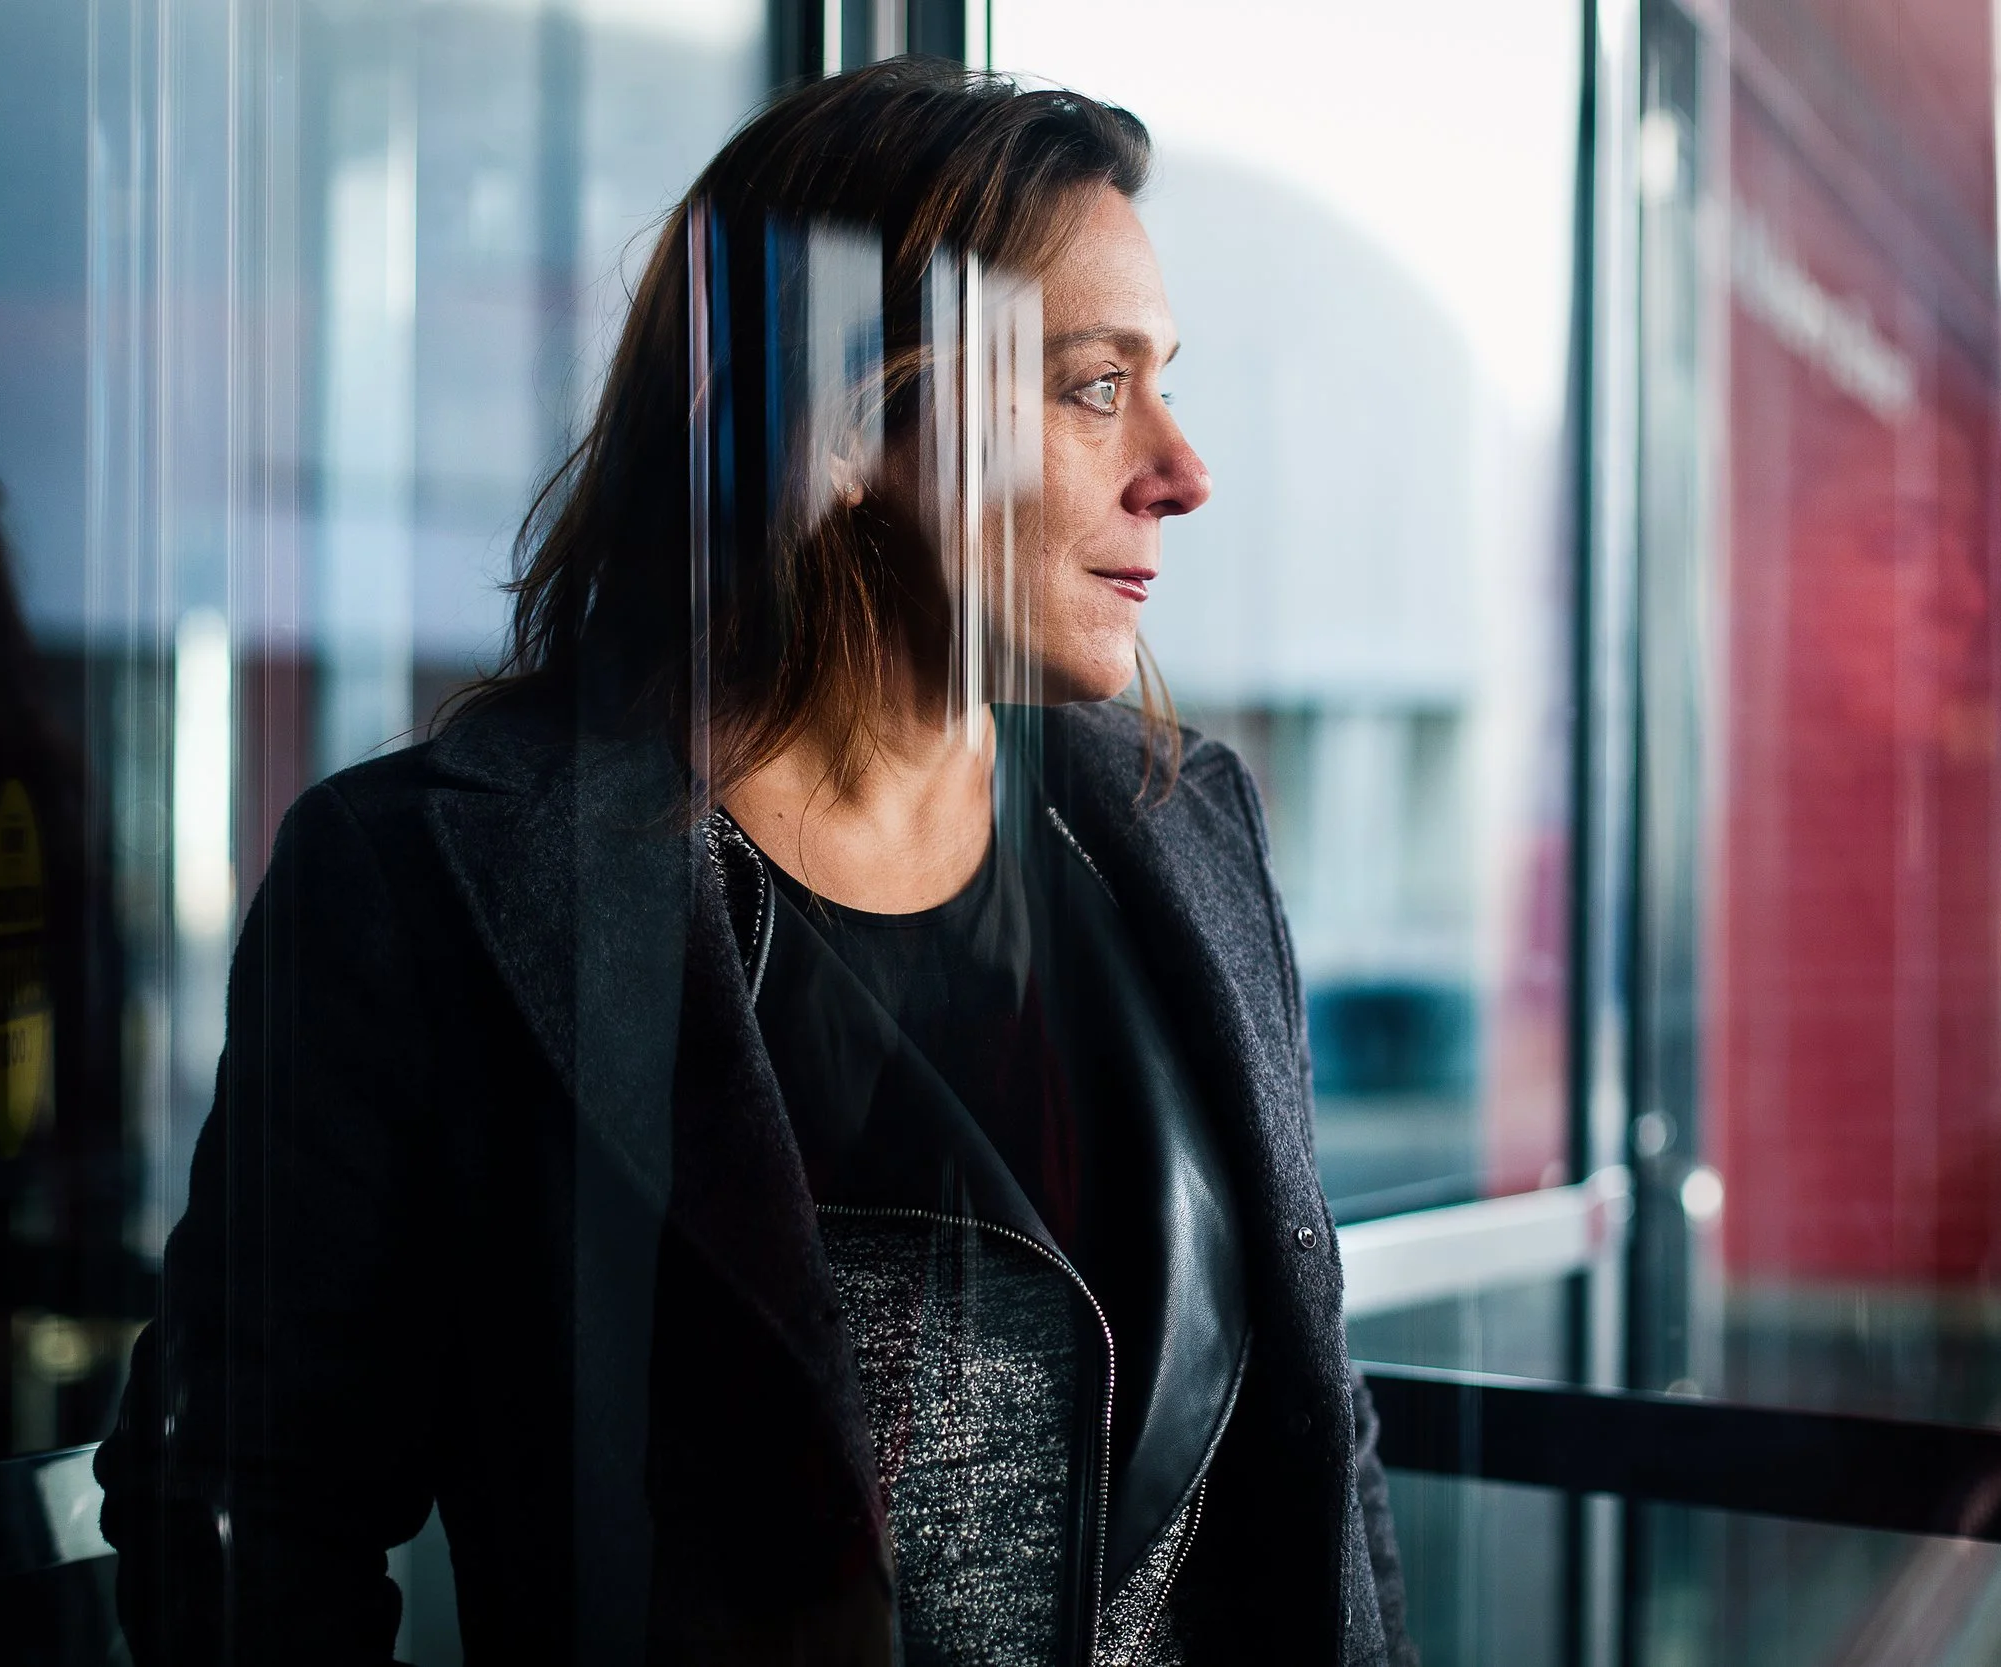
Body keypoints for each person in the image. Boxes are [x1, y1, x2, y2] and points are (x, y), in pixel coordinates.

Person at [97, 58, 1414, 1666]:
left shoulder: (1184, 828)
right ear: (850, 420)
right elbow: (242, 1515)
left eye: (1167, 378)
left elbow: (1318, 1452)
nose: (1182, 468)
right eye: (1091, 385)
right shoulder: (425, 887)